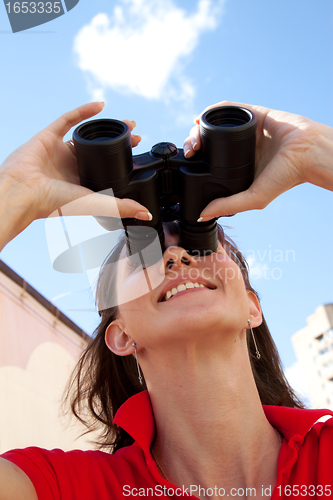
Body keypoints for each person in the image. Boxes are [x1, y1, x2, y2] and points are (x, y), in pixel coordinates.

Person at [0, 101, 332, 500]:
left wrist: (316, 152)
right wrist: (14, 192)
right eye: (145, 254)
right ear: (121, 335)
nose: (177, 256)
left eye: (204, 244)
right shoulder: (70, 486)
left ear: (251, 306)